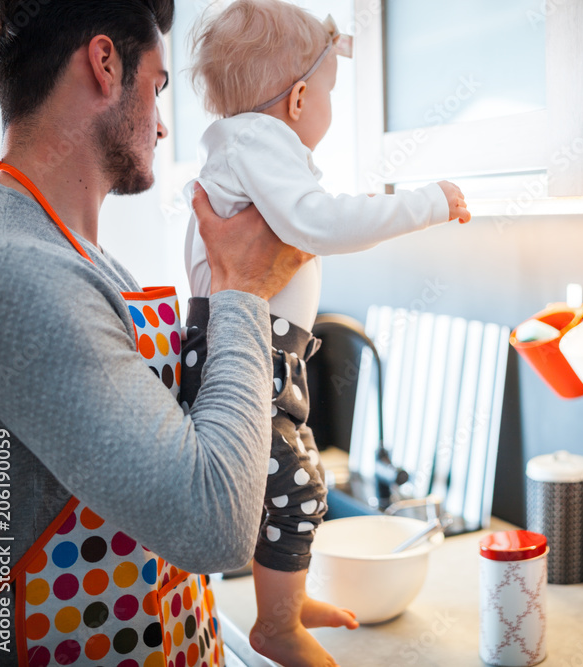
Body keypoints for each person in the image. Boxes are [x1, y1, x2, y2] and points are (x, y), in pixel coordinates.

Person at [0, 1, 313, 664]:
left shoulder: (72, 252)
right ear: (105, 64)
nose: (162, 127)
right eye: (158, 87)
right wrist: (242, 289)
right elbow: (213, 524)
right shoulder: (20, 273)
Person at [182, 2, 471, 665]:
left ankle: (286, 602)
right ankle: (277, 625)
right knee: (296, 485)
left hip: (269, 350)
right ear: (301, 97)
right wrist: (428, 201)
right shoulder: (258, 140)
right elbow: (321, 224)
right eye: (332, 96)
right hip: (246, 349)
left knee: (291, 478)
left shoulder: (246, 145)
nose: (329, 112)